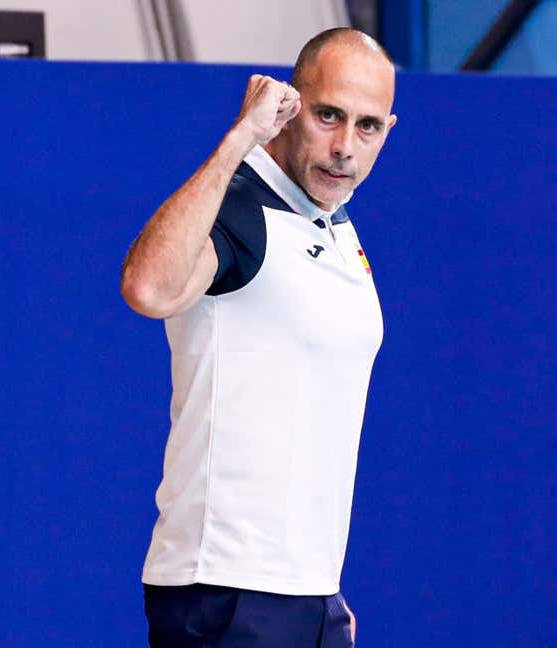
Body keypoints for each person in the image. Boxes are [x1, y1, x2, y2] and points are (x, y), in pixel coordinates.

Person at [119, 27, 397, 647]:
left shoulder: (332, 222)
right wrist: (242, 140)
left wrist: (322, 592)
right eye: (328, 115)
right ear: (290, 105)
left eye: (368, 126)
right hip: (226, 589)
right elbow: (148, 289)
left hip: (306, 595)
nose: (345, 146)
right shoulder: (240, 207)